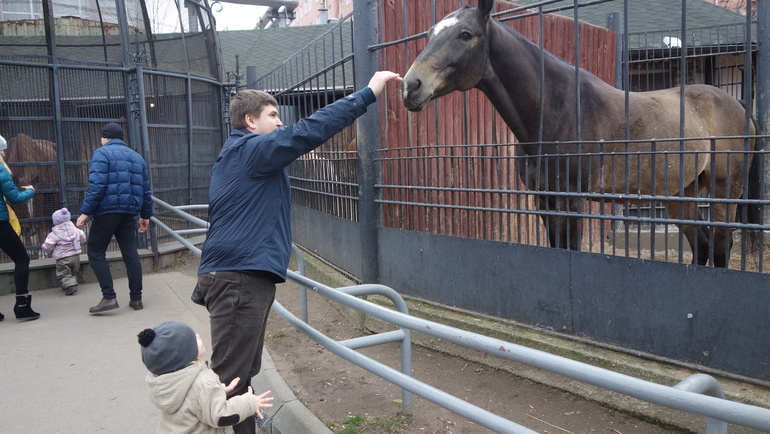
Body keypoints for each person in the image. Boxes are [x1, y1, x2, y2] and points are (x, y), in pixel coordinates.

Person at [196, 70, 402, 433]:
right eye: (272, 115)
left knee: (240, 379)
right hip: (239, 279)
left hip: (243, 277)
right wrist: (366, 94)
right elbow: (306, 132)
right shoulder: (250, 151)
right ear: (250, 121)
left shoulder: (240, 158)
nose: (280, 122)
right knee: (227, 383)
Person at [138, 321, 273, 434]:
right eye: (193, 339)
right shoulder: (203, 383)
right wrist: (249, 402)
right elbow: (221, 415)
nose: (197, 336)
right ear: (184, 354)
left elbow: (191, 400)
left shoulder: (163, 381)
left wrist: (218, 391)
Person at [77, 122, 153, 314]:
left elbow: (97, 186)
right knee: (130, 253)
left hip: (107, 211)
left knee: (95, 251)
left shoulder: (101, 153)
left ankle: (109, 296)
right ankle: (136, 299)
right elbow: (145, 190)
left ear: (105, 138)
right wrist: (145, 215)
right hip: (129, 212)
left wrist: (86, 211)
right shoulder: (137, 157)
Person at [0, 133, 39, 321]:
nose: (5, 154)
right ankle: (22, 306)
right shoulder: (0, 171)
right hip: (0, 224)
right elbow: (15, 198)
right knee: (22, 259)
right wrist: (30, 191)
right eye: (2, 150)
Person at [41, 207, 86, 295]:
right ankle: (68, 284)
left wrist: (46, 250)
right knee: (72, 272)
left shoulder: (54, 234)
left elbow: (48, 245)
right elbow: (82, 237)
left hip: (62, 258)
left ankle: (71, 286)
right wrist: (79, 244)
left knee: (64, 273)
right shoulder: (76, 230)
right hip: (75, 256)